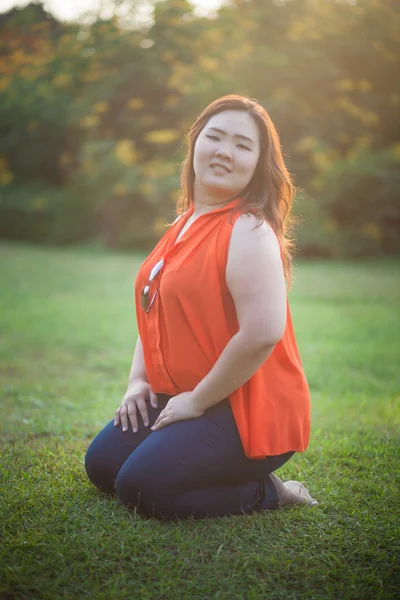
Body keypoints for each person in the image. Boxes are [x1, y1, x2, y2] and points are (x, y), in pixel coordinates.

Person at [85, 94, 318, 520]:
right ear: (195, 143)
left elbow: (263, 334)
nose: (225, 151)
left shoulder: (248, 229)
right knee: (103, 466)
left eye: (243, 145)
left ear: (258, 164)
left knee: (142, 489)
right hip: (188, 393)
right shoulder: (183, 222)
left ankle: (269, 492)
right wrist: (139, 382)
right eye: (215, 137)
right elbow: (155, 311)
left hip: (250, 407)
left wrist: (195, 402)